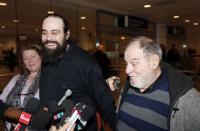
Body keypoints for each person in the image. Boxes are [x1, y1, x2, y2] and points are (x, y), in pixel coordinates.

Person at [39, 14, 116, 131]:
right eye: (44, 33)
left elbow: (106, 104)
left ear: (67, 35)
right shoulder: (47, 57)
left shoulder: (85, 62)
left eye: (54, 33)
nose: (48, 38)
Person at [108, 36, 200, 131]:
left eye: (134, 63)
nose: (127, 71)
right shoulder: (128, 86)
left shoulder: (186, 98)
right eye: (127, 64)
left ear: (154, 62)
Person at [0, 44, 42, 130]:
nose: (30, 60)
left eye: (33, 56)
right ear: (23, 62)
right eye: (26, 58)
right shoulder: (17, 78)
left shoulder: (47, 80)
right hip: (10, 127)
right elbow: (2, 99)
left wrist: (15, 114)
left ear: (41, 57)